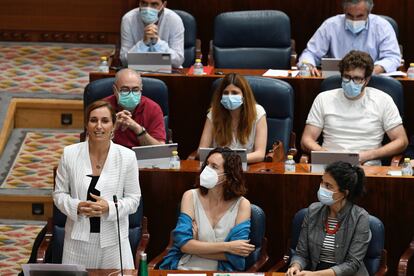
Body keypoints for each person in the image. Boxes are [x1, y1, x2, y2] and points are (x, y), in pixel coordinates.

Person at [53, 100, 141, 269]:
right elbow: (59, 194)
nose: (98, 126)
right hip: (77, 242)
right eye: (93, 120)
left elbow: (134, 200)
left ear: (114, 125)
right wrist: (77, 206)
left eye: (105, 121)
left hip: (114, 243)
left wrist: (108, 207)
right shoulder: (70, 154)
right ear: (86, 124)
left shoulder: (127, 157)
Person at [301, 50, 408, 165]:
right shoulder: (323, 98)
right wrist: (324, 154)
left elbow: (402, 141)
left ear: (366, 80)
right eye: (347, 77)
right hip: (330, 167)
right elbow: (306, 140)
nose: (351, 82)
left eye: (357, 78)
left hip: (367, 166)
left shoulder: (383, 100)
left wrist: (369, 155)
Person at [159, 147, 255, 271]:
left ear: (228, 175)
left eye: (214, 167)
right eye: (206, 164)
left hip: (220, 272)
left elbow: (237, 257)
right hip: (185, 267)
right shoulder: (190, 196)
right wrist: (228, 246)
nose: (206, 170)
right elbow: (183, 245)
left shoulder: (243, 205)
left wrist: (196, 246)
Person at [287, 161, 371, 276]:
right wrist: (296, 266)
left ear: (344, 193)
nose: (322, 188)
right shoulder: (313, 211)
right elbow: (301, 253)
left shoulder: (360, 217)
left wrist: (315, 275)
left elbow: (352, 264)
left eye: (328, 186)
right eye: (322, 182)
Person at [298, 0, 401, 76]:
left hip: (371, 82)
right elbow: (310, 53)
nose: (354, 20)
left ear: (369, 13)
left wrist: (374, 70)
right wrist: (308, 65)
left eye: (360, 16)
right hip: (336, 82)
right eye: (350, 15)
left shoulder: (382, 26)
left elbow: (392, 57)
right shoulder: (330, 25)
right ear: (344, 11)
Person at [198, 73, 267, 164]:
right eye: (226, 93)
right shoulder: (214, 113)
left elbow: (260, 154)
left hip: (247, 168)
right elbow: (200, 152)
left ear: (244, 96)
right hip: (219, 169)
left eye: (234, 93)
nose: (229, 96)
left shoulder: (258, 112)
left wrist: (228, 160)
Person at [105, 68, 166, 148]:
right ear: (114, 90)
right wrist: (113, 128)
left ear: (141, 89)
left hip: (142, 158)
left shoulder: (153, 108)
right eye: (125, 89)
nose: (131, 94)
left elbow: (160, 149)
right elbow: (90, 146)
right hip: (112, 157)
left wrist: (138, 129)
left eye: (135, 89)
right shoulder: (103, 107)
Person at [120, 0, 184, 68]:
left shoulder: (174, 20)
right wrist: (143, 43)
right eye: (144, 3)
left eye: (154, 4)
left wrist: (157, 43)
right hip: (136, 71)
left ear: (164, 5)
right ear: (139, 3)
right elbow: (124, 61)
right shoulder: (128, 19)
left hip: (169, 72)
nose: (148, 9)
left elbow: (178, 61)